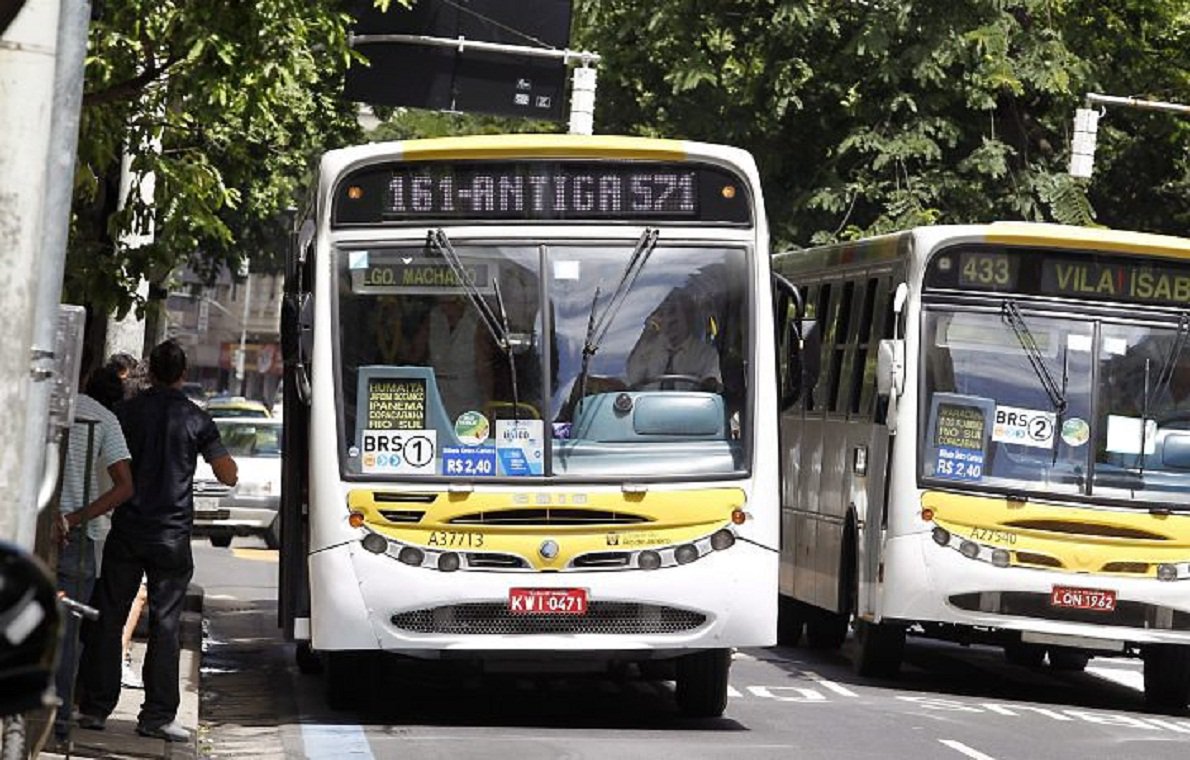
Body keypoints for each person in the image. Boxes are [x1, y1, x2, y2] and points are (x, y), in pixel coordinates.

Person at [77, 340, 238, 743]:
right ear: (184, 374)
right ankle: (157, 716)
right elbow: (228, 475)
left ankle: (95, 709)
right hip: (170, 535)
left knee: (109, 618)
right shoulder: (197, 419)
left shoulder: (126, 413)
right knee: (166, 625)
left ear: (151, 372)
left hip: (128, 529)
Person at [51, 366, 135, 742]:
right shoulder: (105, 421)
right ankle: (59, 720)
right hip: (78, 538)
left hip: (32, 530)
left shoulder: (49, 407)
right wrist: (75, 517)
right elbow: (124, 486)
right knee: (67, 635)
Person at [409, 295, 496, 414]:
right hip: (437, 397)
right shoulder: (434, 316)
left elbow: (483, 368)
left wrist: (488, 403)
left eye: (450, 304)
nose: (444, 308)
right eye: (441, 304)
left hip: (468, 398)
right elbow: (414, 353)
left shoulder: (475, 320)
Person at [626, 291, 721, 391]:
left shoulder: (707, 355)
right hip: (647, 404)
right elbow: (630, 381)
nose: (670, 320)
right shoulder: (647, 349)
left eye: (675, 314)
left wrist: (707, 383)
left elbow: (713, 386)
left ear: (689, 318)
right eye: (665, 314)